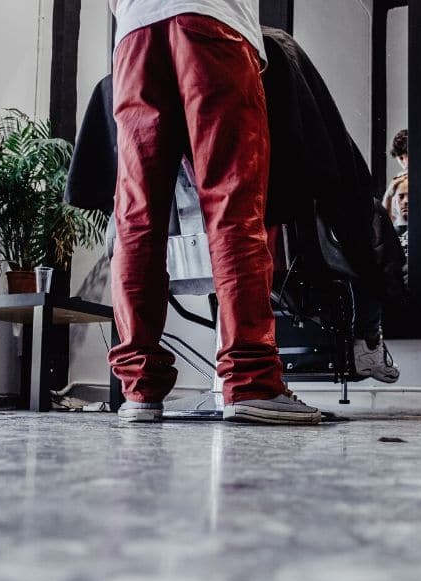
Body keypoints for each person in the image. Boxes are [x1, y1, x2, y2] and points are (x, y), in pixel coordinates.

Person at [107, 1, 321, 424]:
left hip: (133, 33)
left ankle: (140, 390)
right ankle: (250, 381)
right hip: (210, 22)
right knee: (232, 205)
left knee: (137, 218)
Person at [382, 129, 408, 221]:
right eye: (401, 158)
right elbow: (386, 224)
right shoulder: (398, 181)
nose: (406, 162)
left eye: (409, 155)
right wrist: (389, 194)